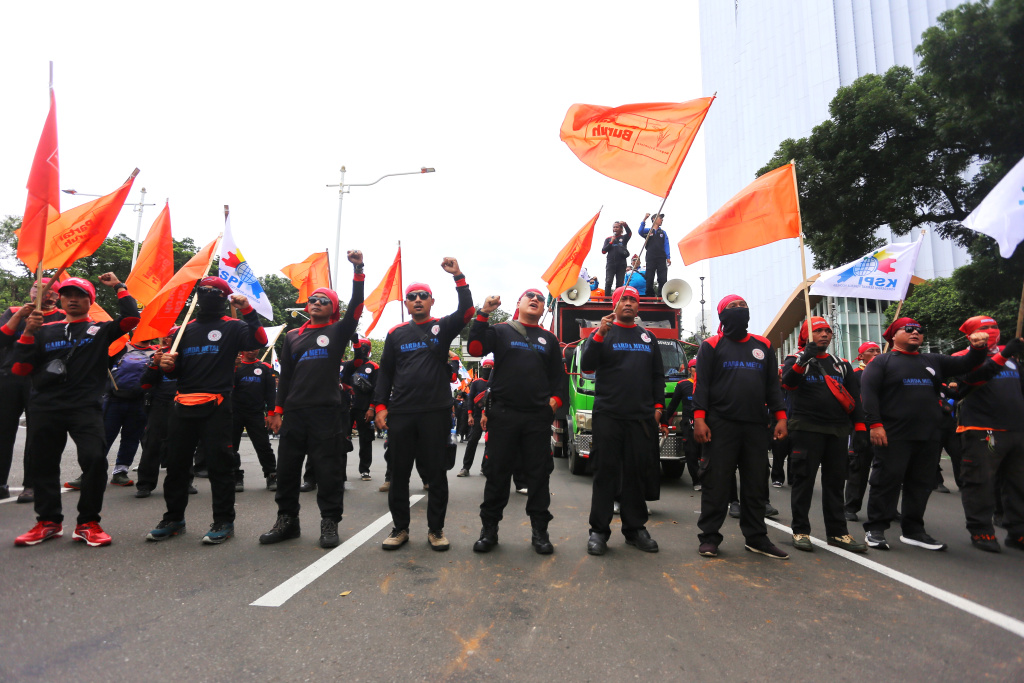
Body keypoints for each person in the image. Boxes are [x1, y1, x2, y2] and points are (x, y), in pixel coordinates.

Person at [10, 275, 139, 547]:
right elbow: (20, 369)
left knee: (94, 460)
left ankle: (88, 523)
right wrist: (28, 333)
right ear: (61, 299)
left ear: (89, 301)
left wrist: (118, 286)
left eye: (80, 295)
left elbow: (130, 319)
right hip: (46, 407)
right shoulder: (44, 329)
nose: (72, 299)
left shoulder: (100, 330)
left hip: (85, 408)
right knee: (42, 464)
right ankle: (48, 522)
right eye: (68, 295)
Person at [145, 277, 268, 545]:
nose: (208, 295)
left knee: (220, 466)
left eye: (215, 292)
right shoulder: (184, 330)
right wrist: (165, 365)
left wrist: (248, 310)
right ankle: (173, 518)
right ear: (197, 296)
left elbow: (259, 339)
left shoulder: (234, 327)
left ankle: (224, 521)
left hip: (217, 405)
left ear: (224, 298)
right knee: (176, 465)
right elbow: (176, 368)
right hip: (182, 403)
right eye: (204, 291)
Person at [259, 251, 364, 549]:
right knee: (288, 470)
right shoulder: (292, 336)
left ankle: (329, 522)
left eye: (324, 301)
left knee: (328, 471)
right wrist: (277, 410)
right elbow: (287, 377)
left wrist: (358, 270)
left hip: (327, 412)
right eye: (313, 299)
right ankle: (287, 521)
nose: (316, 303)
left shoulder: (338, 330)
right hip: (295, 413)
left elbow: (357, 306)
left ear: (333, 309)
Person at [860, 317, 989, 552]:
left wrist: (978, 348)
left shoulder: (933, 360)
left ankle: (914, 531)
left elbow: (967, 364)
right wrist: (875, 424)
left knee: (921, 484)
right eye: (908, 329)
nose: (915, 333)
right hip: (893, 434)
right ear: (893, 336)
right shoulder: (881, 362)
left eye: (919, 330)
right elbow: (868, 395)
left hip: (929, 434)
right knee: (886, 481)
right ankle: (875, 529)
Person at [373, 258, 474, 551]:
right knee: (399, 474)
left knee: (436, 474)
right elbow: (386, 372)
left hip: (435, 412)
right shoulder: (395, 333)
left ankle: (436, 530)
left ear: (431, 301)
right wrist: (380, 406)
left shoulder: (442, 328)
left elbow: (467, 311)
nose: (417, 300)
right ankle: (400, 529)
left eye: (423, 296)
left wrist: (458, 276)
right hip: (402, 412)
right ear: (406, 303)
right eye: (412, 297)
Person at [467, 288, 565, 554]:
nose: (535, 300)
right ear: (519, 303)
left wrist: (553, 403)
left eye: (540, 299)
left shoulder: (549, 339)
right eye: (529, 297)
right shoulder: (501, 331)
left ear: (544, 308)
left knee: (538, 476)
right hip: (504, 416)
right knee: (497, 475)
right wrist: (483, 313)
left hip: (536, 420)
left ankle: (540, 532)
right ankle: (489, 530)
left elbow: (559, 378)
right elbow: (475, 348)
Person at [693, 295, 789, 559]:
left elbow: (773, 385)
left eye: (743, 306)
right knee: (716, 483)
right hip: (720, 425)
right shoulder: (711, 345)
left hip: (756, 426)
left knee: (756, 484)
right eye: (733, 307)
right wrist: (699, 418)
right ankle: (710, 537)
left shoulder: (764, 345)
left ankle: (757, 538)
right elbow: (701, 385)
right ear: (722, 315)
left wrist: (780, 416)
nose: (739, 310)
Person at [580, 285, 666, 556]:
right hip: (608, 415)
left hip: (640, 418)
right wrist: (599, 335)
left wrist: (658, 408)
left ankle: (635, 528)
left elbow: (657, 376)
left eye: (633, 299)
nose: (628, 303)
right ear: (614, 305)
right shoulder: (602, 332)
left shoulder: (648, 337)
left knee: (635, 474)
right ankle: (598, 531)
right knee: (605, 473)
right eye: (623, 299)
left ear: (638, 306)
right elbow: (586, 365)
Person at [780, 317, 868, 553]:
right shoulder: (794, 360)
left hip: (838, 432)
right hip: (806, 430)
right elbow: (787, 384)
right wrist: (804, 359)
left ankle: (838, 533)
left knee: (835, 484)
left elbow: (855, 398)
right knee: (804, 482)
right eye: (818, 330)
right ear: (807, 335)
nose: (825, 334)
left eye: (828, 331)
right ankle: (800, 531)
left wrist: (859, 428)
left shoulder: (841, 364)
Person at [947, 315, 1024, 553]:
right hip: (983, 430)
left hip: (1016, 430)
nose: (991, 331)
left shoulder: (1013, 359)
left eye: (994, 327)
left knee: (1019, 484)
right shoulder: (962, 358)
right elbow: (972, 381)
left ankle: (1018, 531)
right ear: (970, 334)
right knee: (980, 482)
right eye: (984, 328)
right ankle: (981, 529)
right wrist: (1002, 355)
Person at [0, 278, 63, 504]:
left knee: (37, 433)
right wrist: (20, 317)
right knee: (3, 431)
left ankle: (31, 484)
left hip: (41, 380)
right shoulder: (14, 311)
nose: (38, 290)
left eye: (45, 288)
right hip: (9, 378)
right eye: (36, 286)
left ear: (55, 296)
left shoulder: (62, 317)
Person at [103, 337, 157, 487]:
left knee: (131, 439)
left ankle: (120, 472)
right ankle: (90, 471)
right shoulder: (119, 347)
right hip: (113, 399)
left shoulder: (156, 352)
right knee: (103, 437)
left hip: (139, 401)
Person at [134, 329, 179, 497]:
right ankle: (145, 484)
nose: (169, 339)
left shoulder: (187, 356)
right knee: (152, 444)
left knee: (182, 444)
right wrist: (154, 365)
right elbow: (145, 385)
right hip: (159, 404)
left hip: (181, 403)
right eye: (167, 336)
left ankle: (184, 480)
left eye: (172, 336)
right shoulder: (158, 355)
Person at [231, 349, 278, 492]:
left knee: (263, 446)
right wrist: (232, 368)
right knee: (231, 447)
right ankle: (235, 476)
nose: (252, 351)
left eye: (255, 348)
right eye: (249, 349)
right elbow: (227, 386)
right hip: (234, 413)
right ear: (242, 350)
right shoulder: (234, 366)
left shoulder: (265, 368)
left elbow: (271, 392)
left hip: (256, 414)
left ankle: (271, 475)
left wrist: (271, 413)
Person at [844, 341, 880, 521]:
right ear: (860, 356)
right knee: (858, 468)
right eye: (871, 350)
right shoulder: (854, 374)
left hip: (886, 426)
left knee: (887, 471)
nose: (875, 353)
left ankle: (886, 508)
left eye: (878, 350)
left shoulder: (887, 373)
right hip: (861, 427)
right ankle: (850, 507)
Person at [662, 358, 700, 489]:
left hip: (705, 424)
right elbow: (672, 405)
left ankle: (708, 480)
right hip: (689, 424)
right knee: (691, 453)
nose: (698, 369)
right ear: (689, 369)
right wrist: (664, 423)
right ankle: (697, 481)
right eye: (695, 367)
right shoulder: (683, 385)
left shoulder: (708, 384)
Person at [348, 336, 378, 480]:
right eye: (361, 347)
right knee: (342, 438)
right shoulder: (347, 364)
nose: (363, 349)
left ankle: (364, 469)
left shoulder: (374, 366)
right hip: (346, 408)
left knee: (365, 440)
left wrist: (372, 408)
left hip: (364, 408)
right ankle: (339, 471)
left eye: (365, 347)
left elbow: (377, 389)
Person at [458, 358, 491, 477]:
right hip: (477, 416)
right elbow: (470, 399)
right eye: (485, 366)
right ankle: (465, 467)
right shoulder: (476, 383)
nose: (487, 369)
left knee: (490, 443)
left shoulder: (496, 382)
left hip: (492, 417)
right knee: (472, 441)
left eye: (490, 367)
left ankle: (485, 467)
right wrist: (470, 415)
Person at [637, 213, 670, 298]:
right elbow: (640, 231)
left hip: (661, 257)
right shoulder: (648, 231)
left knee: (662, 278)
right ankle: (649, 295)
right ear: (654, 219)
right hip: (651, 256)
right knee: (650, 277)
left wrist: (668, 257)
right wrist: (644, 219)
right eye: (660, 218)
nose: (662, 220)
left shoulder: (663, 232)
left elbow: (666, 244)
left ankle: (661, 296)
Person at [602, 221, 632, 293]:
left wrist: (625, 224)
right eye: (614, 227)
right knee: (608, 281)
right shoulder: (608, 239)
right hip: (611, 263)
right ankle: (607, 299)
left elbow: (630, 233)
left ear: (621, 229)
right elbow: (603, 251)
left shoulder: (624, 237)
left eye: (617, 227)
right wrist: (611, 242)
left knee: (619, 283)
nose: (615, 229)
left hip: (621, 264)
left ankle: (618, 298)